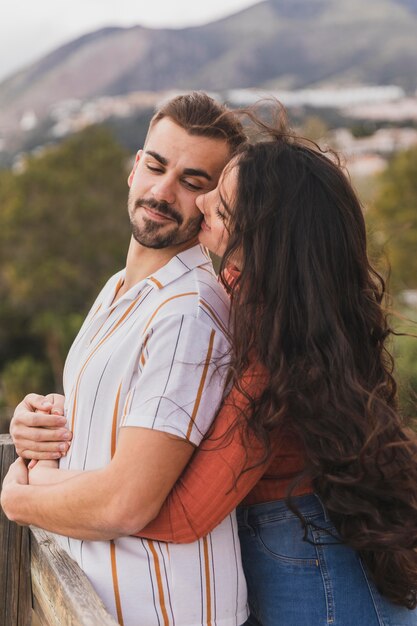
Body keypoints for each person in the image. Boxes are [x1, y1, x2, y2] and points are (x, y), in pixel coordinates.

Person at [8, 110, 417, 625]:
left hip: (321, 582)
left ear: (264, 242)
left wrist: (36, 488)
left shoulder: (266, 346)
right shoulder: (251, 304)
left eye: (218, 203)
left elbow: (177, 513)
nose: (199, 205)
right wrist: (51, 418)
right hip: (293, 557)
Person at [1, 92, 250, 626]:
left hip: (166, 610)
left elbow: (125, 504)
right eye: (156, 166)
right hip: (96, 604)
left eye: (193, 181)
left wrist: (19, 501)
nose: (163, 191)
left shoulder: (188, 315)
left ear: (213, 204)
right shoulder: (120, 287)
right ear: (134, 167)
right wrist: (40, 425)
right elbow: (111, 422)